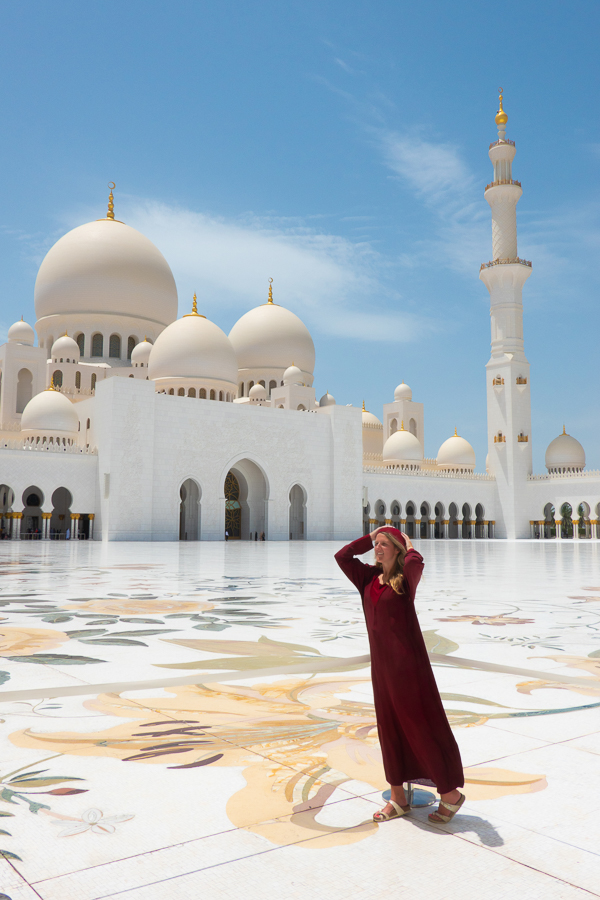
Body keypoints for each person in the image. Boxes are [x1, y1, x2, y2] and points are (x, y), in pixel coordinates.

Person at [335, 526, 465, 825]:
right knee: (389, 731)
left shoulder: (404, 581)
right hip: (383, 669)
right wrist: (368, 538)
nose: (378, 549)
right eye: (376, 545)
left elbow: (416, 561)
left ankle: (450, 794)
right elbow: (343, 556)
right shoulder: (367, 578)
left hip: (409, 669)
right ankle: (398, 798)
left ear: (396, 549)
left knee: (420, 728)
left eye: (384, 545)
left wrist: (408, 543)